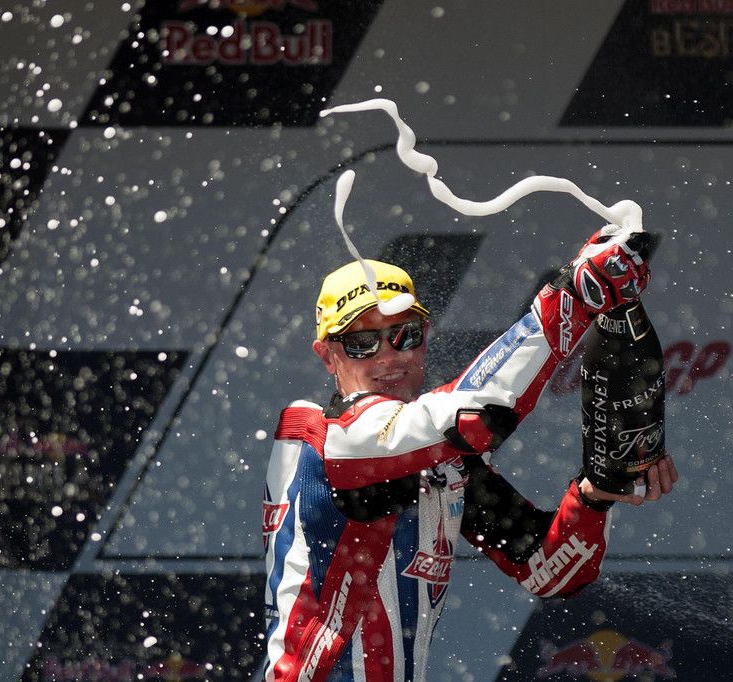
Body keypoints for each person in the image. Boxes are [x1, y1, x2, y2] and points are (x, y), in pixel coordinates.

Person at [261, 227, 678, 682]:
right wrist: (574, 295)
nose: (388, 358)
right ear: (327, 356)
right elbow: (477, 417)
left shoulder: (438, 461)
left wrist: (597, 492)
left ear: (425, 335)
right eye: (362, 343)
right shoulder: (325, 438)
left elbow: (552, 572)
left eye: (404, 335)